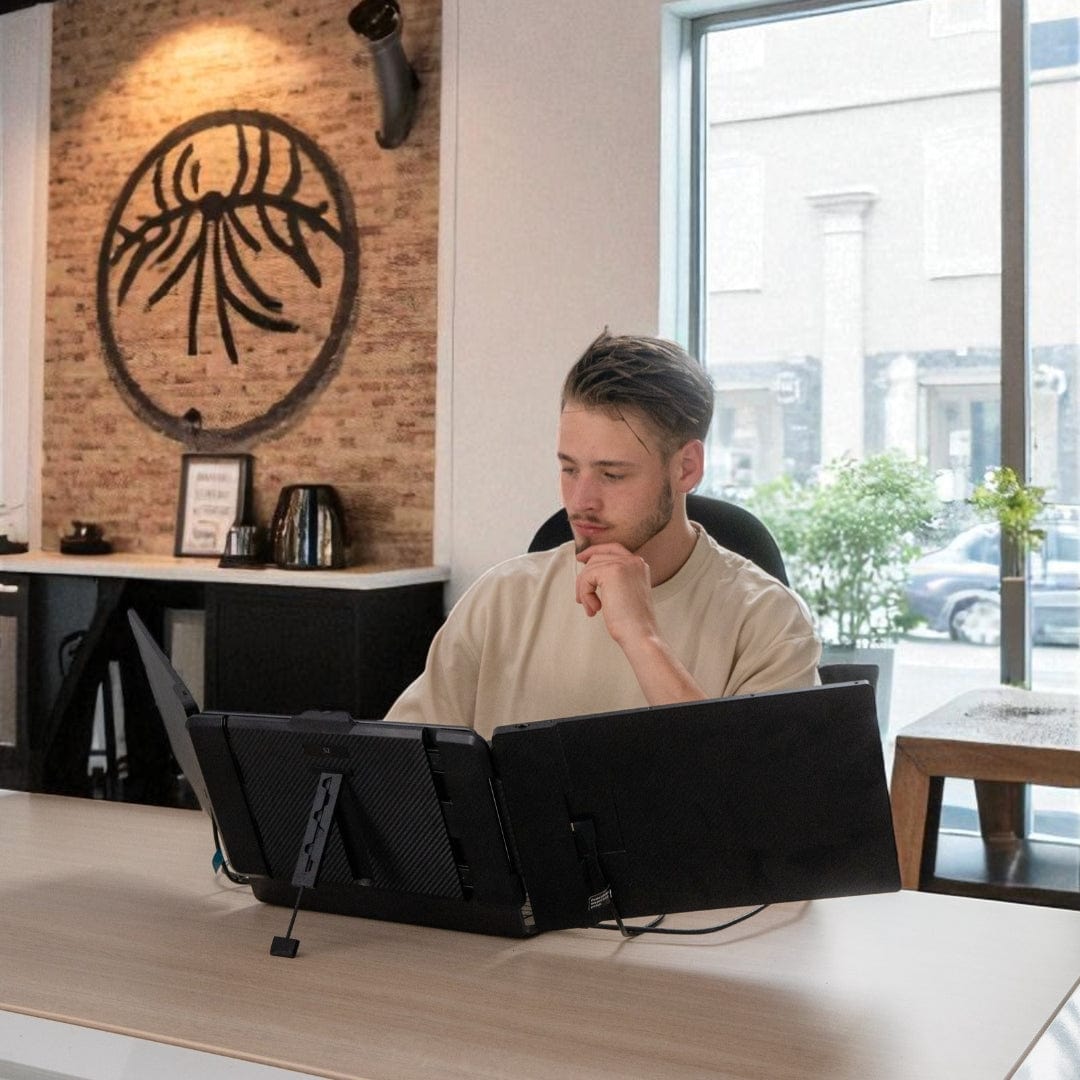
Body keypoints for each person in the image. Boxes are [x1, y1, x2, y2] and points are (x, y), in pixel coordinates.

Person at [384, 331, 820, 740]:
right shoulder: (501, 598)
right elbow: (395, 772)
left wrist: (641, 637)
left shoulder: (770, 623)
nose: (580, 500)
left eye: (612, 474)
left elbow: (750, 807)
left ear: (686, 467)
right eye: (569, 468)